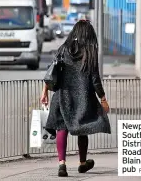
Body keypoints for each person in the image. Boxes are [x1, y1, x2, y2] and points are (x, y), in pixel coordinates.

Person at [39, 19, 111, 177]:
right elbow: (95, 79)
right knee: (82, 128)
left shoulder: (64, 49)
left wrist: (44, 92)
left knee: (61, 128)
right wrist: (103, 99)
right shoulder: (90, 52)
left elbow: (52, 71)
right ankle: (82, 163)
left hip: (61, 96)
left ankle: (62, 164)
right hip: (82, 99)